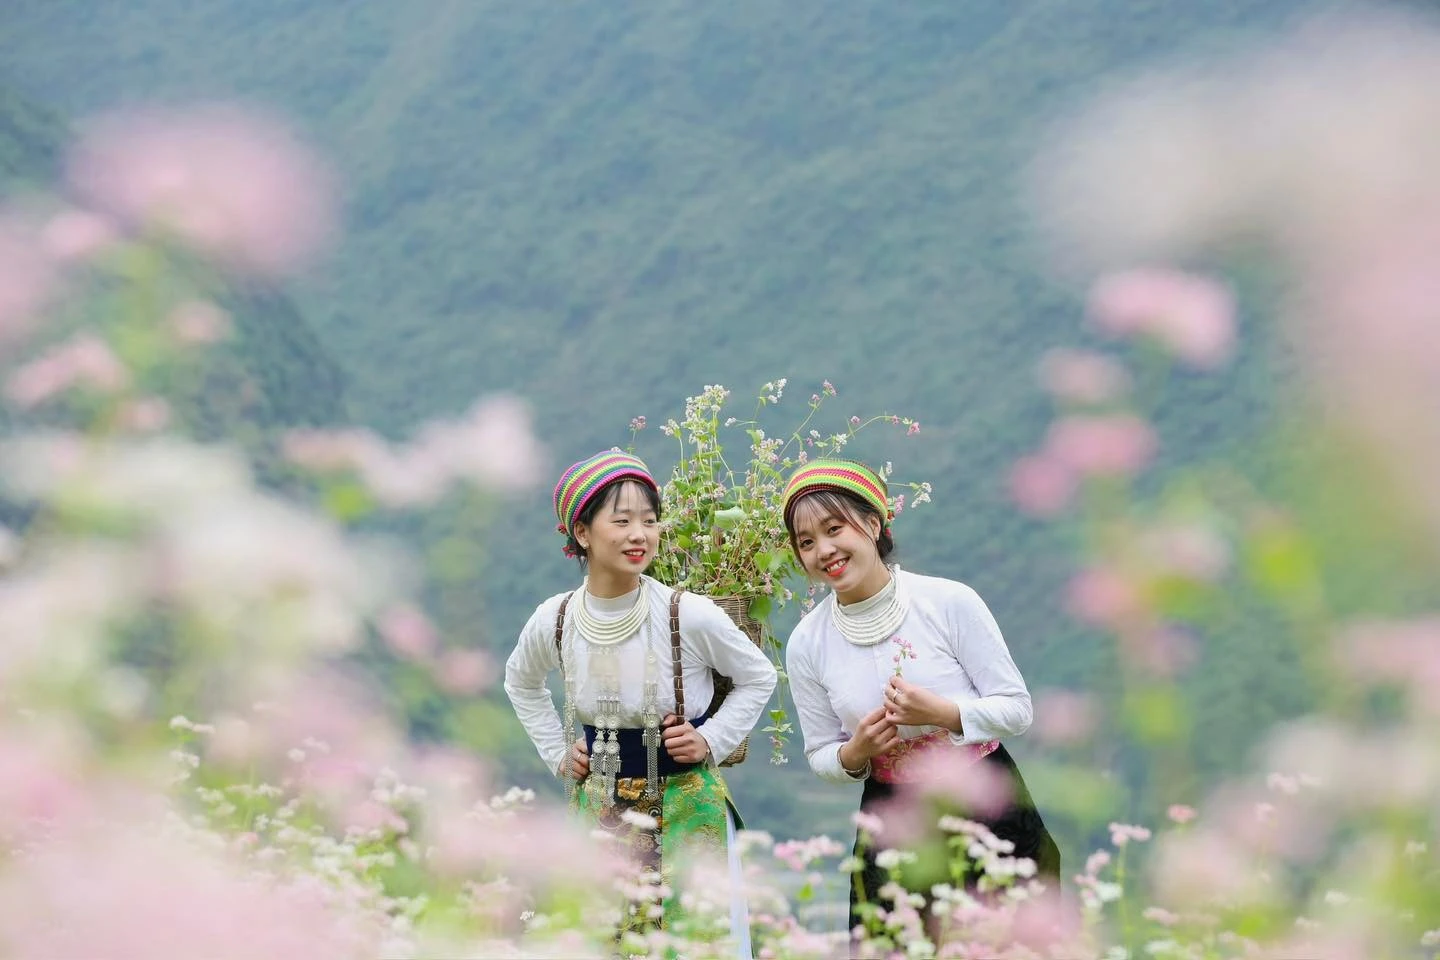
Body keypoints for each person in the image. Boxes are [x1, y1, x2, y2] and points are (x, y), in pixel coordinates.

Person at [504, 449, 777, 951]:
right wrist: (557, 753)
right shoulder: (556, 619)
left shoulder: (686, 614)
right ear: (582, 533)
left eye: (650, 522)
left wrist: (710, 739)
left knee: (695, 941)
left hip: (687, 805)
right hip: (600, 806)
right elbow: (520, 682)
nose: (640, 535)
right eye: (623, 520)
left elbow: (758, 676)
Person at [780, 458, 1060, 933]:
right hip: (890, 816)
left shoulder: (949, 602)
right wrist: (856, 752)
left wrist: (946, 714)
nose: (824, 550)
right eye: (806, 543)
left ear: (873, 523)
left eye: (834, 529)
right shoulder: (808, 642)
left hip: (984, 798)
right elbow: (821, 755)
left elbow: (1017, 709)